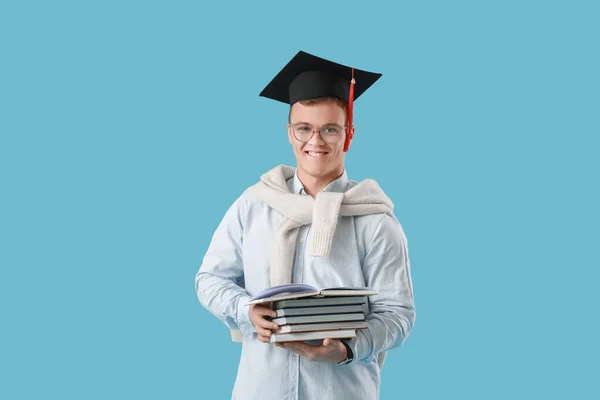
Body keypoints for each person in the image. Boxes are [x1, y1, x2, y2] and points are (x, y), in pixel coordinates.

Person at [195, 50, 415, 400]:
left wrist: (348, 349)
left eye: (329, 129)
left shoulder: (375, 220)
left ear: (349, 134)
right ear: (289, 132)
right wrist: (245, 311)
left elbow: (398, 313)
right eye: (304, 129)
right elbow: (209, 279)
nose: (315, 141)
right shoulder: (253, 205)